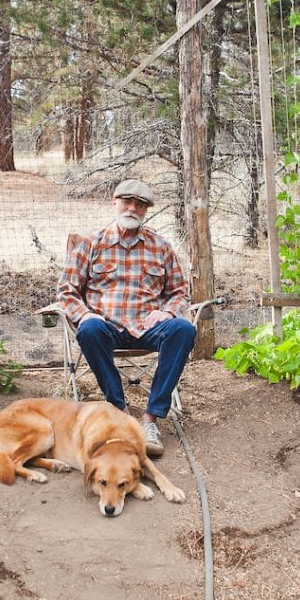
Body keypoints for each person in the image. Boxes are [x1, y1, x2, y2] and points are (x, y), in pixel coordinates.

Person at [57, 179, 196, 457]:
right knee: (89, 328)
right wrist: (84, 314)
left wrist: (167, 311)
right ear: (115, 203)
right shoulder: (91, 245)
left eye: (140, 205)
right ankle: (119, 410)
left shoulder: (160, 247)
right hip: (105, 326)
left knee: (183, 329)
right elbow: (67, 290)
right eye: (127, 202)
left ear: (146, 211)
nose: (132, 208)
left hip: (148, 327)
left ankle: (150, 419)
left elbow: (180, 291)